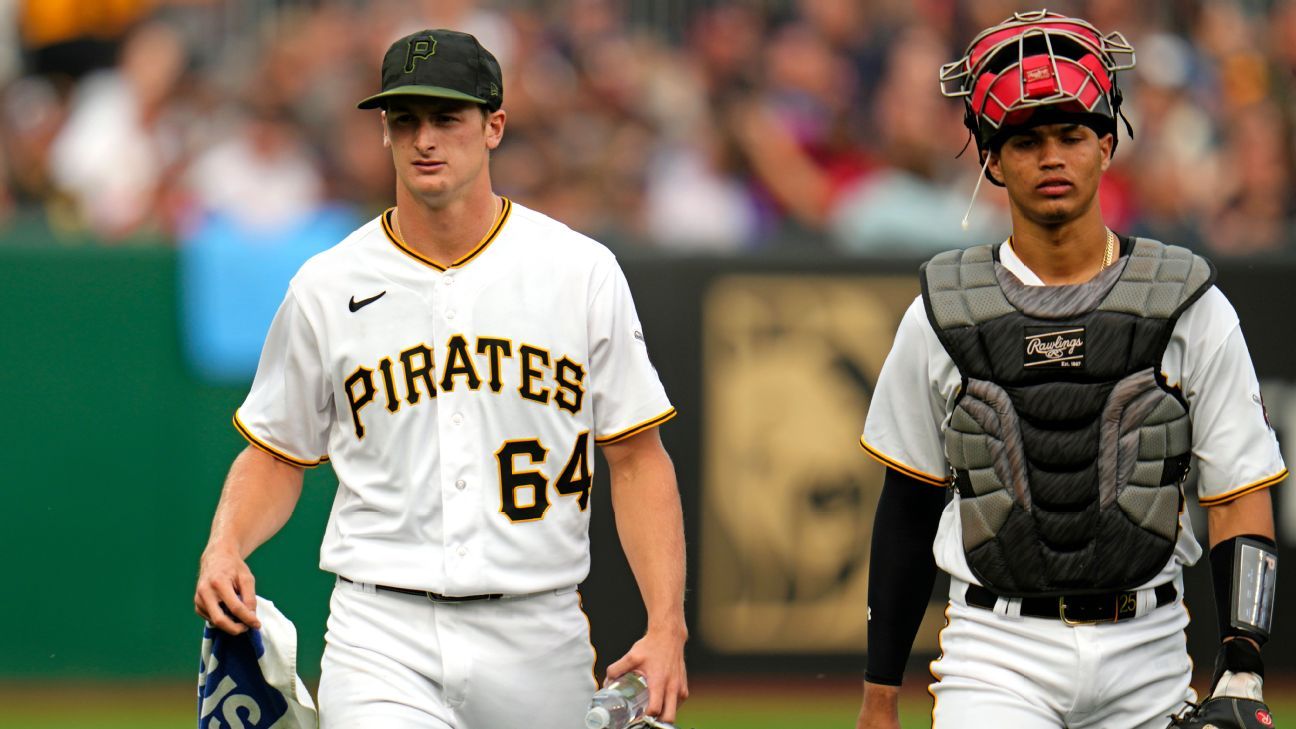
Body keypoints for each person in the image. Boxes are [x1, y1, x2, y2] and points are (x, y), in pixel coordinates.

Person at [193, 28, 689, 729]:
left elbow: (637, 456)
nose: (425, 138)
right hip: (381, 628)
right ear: (385, 135)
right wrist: (224, 545)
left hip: (538, 628)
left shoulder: (578, 271)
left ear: (494, 126)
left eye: (446, 117)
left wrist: (667, 622)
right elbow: (276, 452)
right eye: (405, 120)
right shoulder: (327, 285)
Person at [856, 11, 1283, 729]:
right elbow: (907, 504)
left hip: (1148, 648)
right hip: (996, 652)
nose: (1051, 156)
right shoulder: (940, 312)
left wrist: (1241, 666)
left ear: (1107, 143)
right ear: (991, 158)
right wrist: (878, 695)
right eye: (1025, 139)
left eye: (1071, 134)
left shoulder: (1189, 304)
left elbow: (1239, 492)